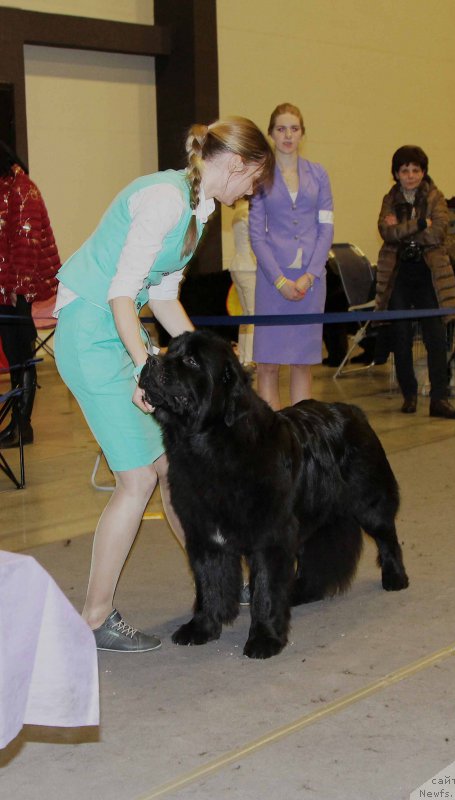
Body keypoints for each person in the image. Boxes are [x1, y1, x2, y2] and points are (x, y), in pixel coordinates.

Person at [53, 117, 274, 652]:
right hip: (92, 334)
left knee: (175, 470)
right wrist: (144, 372)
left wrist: (217, 364)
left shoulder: (199, 209)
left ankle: (217, 582)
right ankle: (95, 617)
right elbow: (122, 296)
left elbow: (164, 300)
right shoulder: (165, 200)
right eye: (254, 182)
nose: (251, 195)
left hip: (118, 331)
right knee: (138, 482)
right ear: (239, 164)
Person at [249, 103, 333, 409]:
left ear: (302, 134)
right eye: (281, 129)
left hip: (311, 280)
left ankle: (301, 435)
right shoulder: (260, 176)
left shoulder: (319, 175)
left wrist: (311, 274)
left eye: (294, 129)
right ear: (271, 134)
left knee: (302, 362)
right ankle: (271, 438)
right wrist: (280, 280)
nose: (287, 135)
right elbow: (256, 235)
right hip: (273, 281)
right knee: (268, 364)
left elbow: (326, 228)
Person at [375, 145, 455, 419]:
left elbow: (438, 233)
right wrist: (420, 223)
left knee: (436, 338)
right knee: (400, 336)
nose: (411, 176)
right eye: (405, 170)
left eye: (416, 170)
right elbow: (385, 231)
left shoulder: (436, 196)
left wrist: (406, 228)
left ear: (423, 172)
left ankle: (439, 399)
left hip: (429, 274)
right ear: (396, 174)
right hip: (399, 273)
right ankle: (409, 394)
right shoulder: (389, 198)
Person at [0, 141, 60, 447]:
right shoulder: (5, 188)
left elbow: (25, 248)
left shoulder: (22, 190)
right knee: (15, 358)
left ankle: (22, 426)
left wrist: (15, 291)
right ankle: (17, 425)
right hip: (6, 290)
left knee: (21, 358)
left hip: (17, 293)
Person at [229, 198, 256, 366]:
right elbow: (256, 241)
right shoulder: (248, 212)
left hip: (237, 265)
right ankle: (250, 357)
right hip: (248, 266)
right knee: (253, 314)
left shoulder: (238, 211)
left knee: (246, 315)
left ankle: (244, 357)